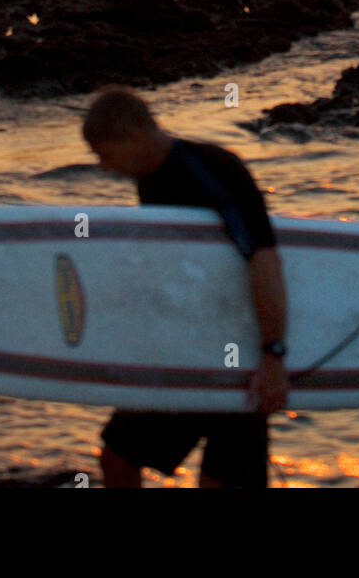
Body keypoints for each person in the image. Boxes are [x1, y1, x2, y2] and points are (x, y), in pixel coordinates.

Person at [81, 86, 288, 489]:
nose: (104, 168)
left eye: (104, 154)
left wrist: (273, 355)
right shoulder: (150, 184)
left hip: (239, 356)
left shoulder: (211, 170)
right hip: (189, 353)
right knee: (118, 458)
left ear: (135, 137)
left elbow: (264, 258)